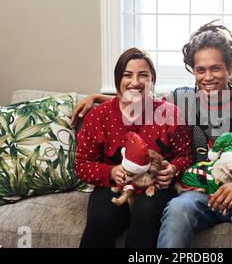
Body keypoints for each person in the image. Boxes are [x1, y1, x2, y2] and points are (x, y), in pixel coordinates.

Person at [72, 21, 232, 248]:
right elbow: (141, 102)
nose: (208, 77)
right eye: (200, 70)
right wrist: (98, 98)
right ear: (193, 71)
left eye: (216, 68)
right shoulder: (182, 100)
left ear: (230, 69)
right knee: (176, 209)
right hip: (198, 191)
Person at [75, 47, 192, 248]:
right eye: (128, 75)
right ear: (118, 79)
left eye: (143, 75)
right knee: (102, 216)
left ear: (152, 80)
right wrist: (111, 171)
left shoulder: (170, 113)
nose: (135, 82)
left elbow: (185, 156)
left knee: (146, 211)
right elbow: (81, 165)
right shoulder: (99, 116)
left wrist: (173, 169)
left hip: (154, 186)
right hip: (114, 185)